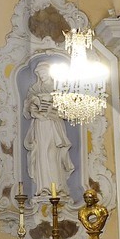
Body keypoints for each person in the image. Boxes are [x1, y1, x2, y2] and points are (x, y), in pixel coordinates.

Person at [24, 61, 74, 197]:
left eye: (44, 72)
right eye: (40, 73)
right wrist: (35, 107)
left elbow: (66, 109)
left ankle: (58, 187)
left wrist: (52, 107)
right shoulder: (34, 89)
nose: (42, 75)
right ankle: (44, 187)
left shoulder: (58, 88)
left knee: (53, 152)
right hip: (40, 125)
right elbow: (28, 108)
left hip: (53, 123)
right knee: (42, 153)